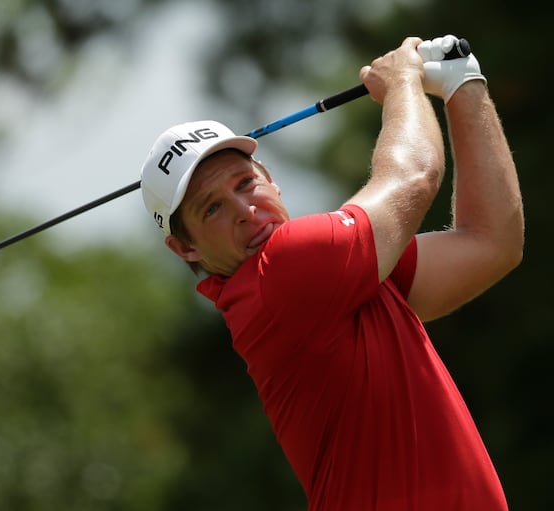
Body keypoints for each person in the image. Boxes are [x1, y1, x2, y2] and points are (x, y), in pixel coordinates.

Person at [140, 35, 523, 511]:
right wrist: (404, 81)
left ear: (270, 179)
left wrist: (464, 83)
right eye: (213, 208)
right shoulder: (282, 271)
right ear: (184, 247)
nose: (245, 209)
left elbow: (491, 243)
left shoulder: (339, 276)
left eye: (246, 183)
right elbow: (415, 177)